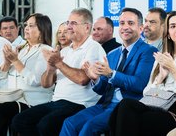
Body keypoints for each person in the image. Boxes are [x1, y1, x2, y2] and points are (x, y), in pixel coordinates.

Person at [59, 7, 158, 135]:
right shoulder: (112, 54)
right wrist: (95, 78)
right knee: (69, 123)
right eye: (122, 23)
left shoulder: (148, 51)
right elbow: (102, 89)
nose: (125, 27)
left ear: (140, 28)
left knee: (89, 127)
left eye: (131, 23)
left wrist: (111, 73)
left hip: (125, 108)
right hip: (105, 105)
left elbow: (139, 84)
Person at [108, 10, 176, 136]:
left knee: (127, 116)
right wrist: (160, 77)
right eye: (173, 26)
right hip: (156, 104)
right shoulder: (162, 57)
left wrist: (174, 69)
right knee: (122, 108)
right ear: (168, 34)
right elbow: (146, 92)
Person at [11, 8, 106, 136]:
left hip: (80, 103)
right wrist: (50, 69)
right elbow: (46, 84)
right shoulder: (65, 50)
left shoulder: (93, 48)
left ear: (87, 27)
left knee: (46, 125)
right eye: (68, 23)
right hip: (57, 101)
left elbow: (83, 79)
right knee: (20, 120)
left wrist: (59, 63)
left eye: (73, 23)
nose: (68, 27)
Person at [0, 13, 54, 136]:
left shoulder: (46, 51)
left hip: (31, 101)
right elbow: (3, 76)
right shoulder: (22, 49)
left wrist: (15, 61)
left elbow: (35, 81)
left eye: (31, 25)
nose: (26, 28)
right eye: (26, 25)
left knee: (1, 112)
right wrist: (7, 62)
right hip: (13, 98)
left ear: (41, 29)